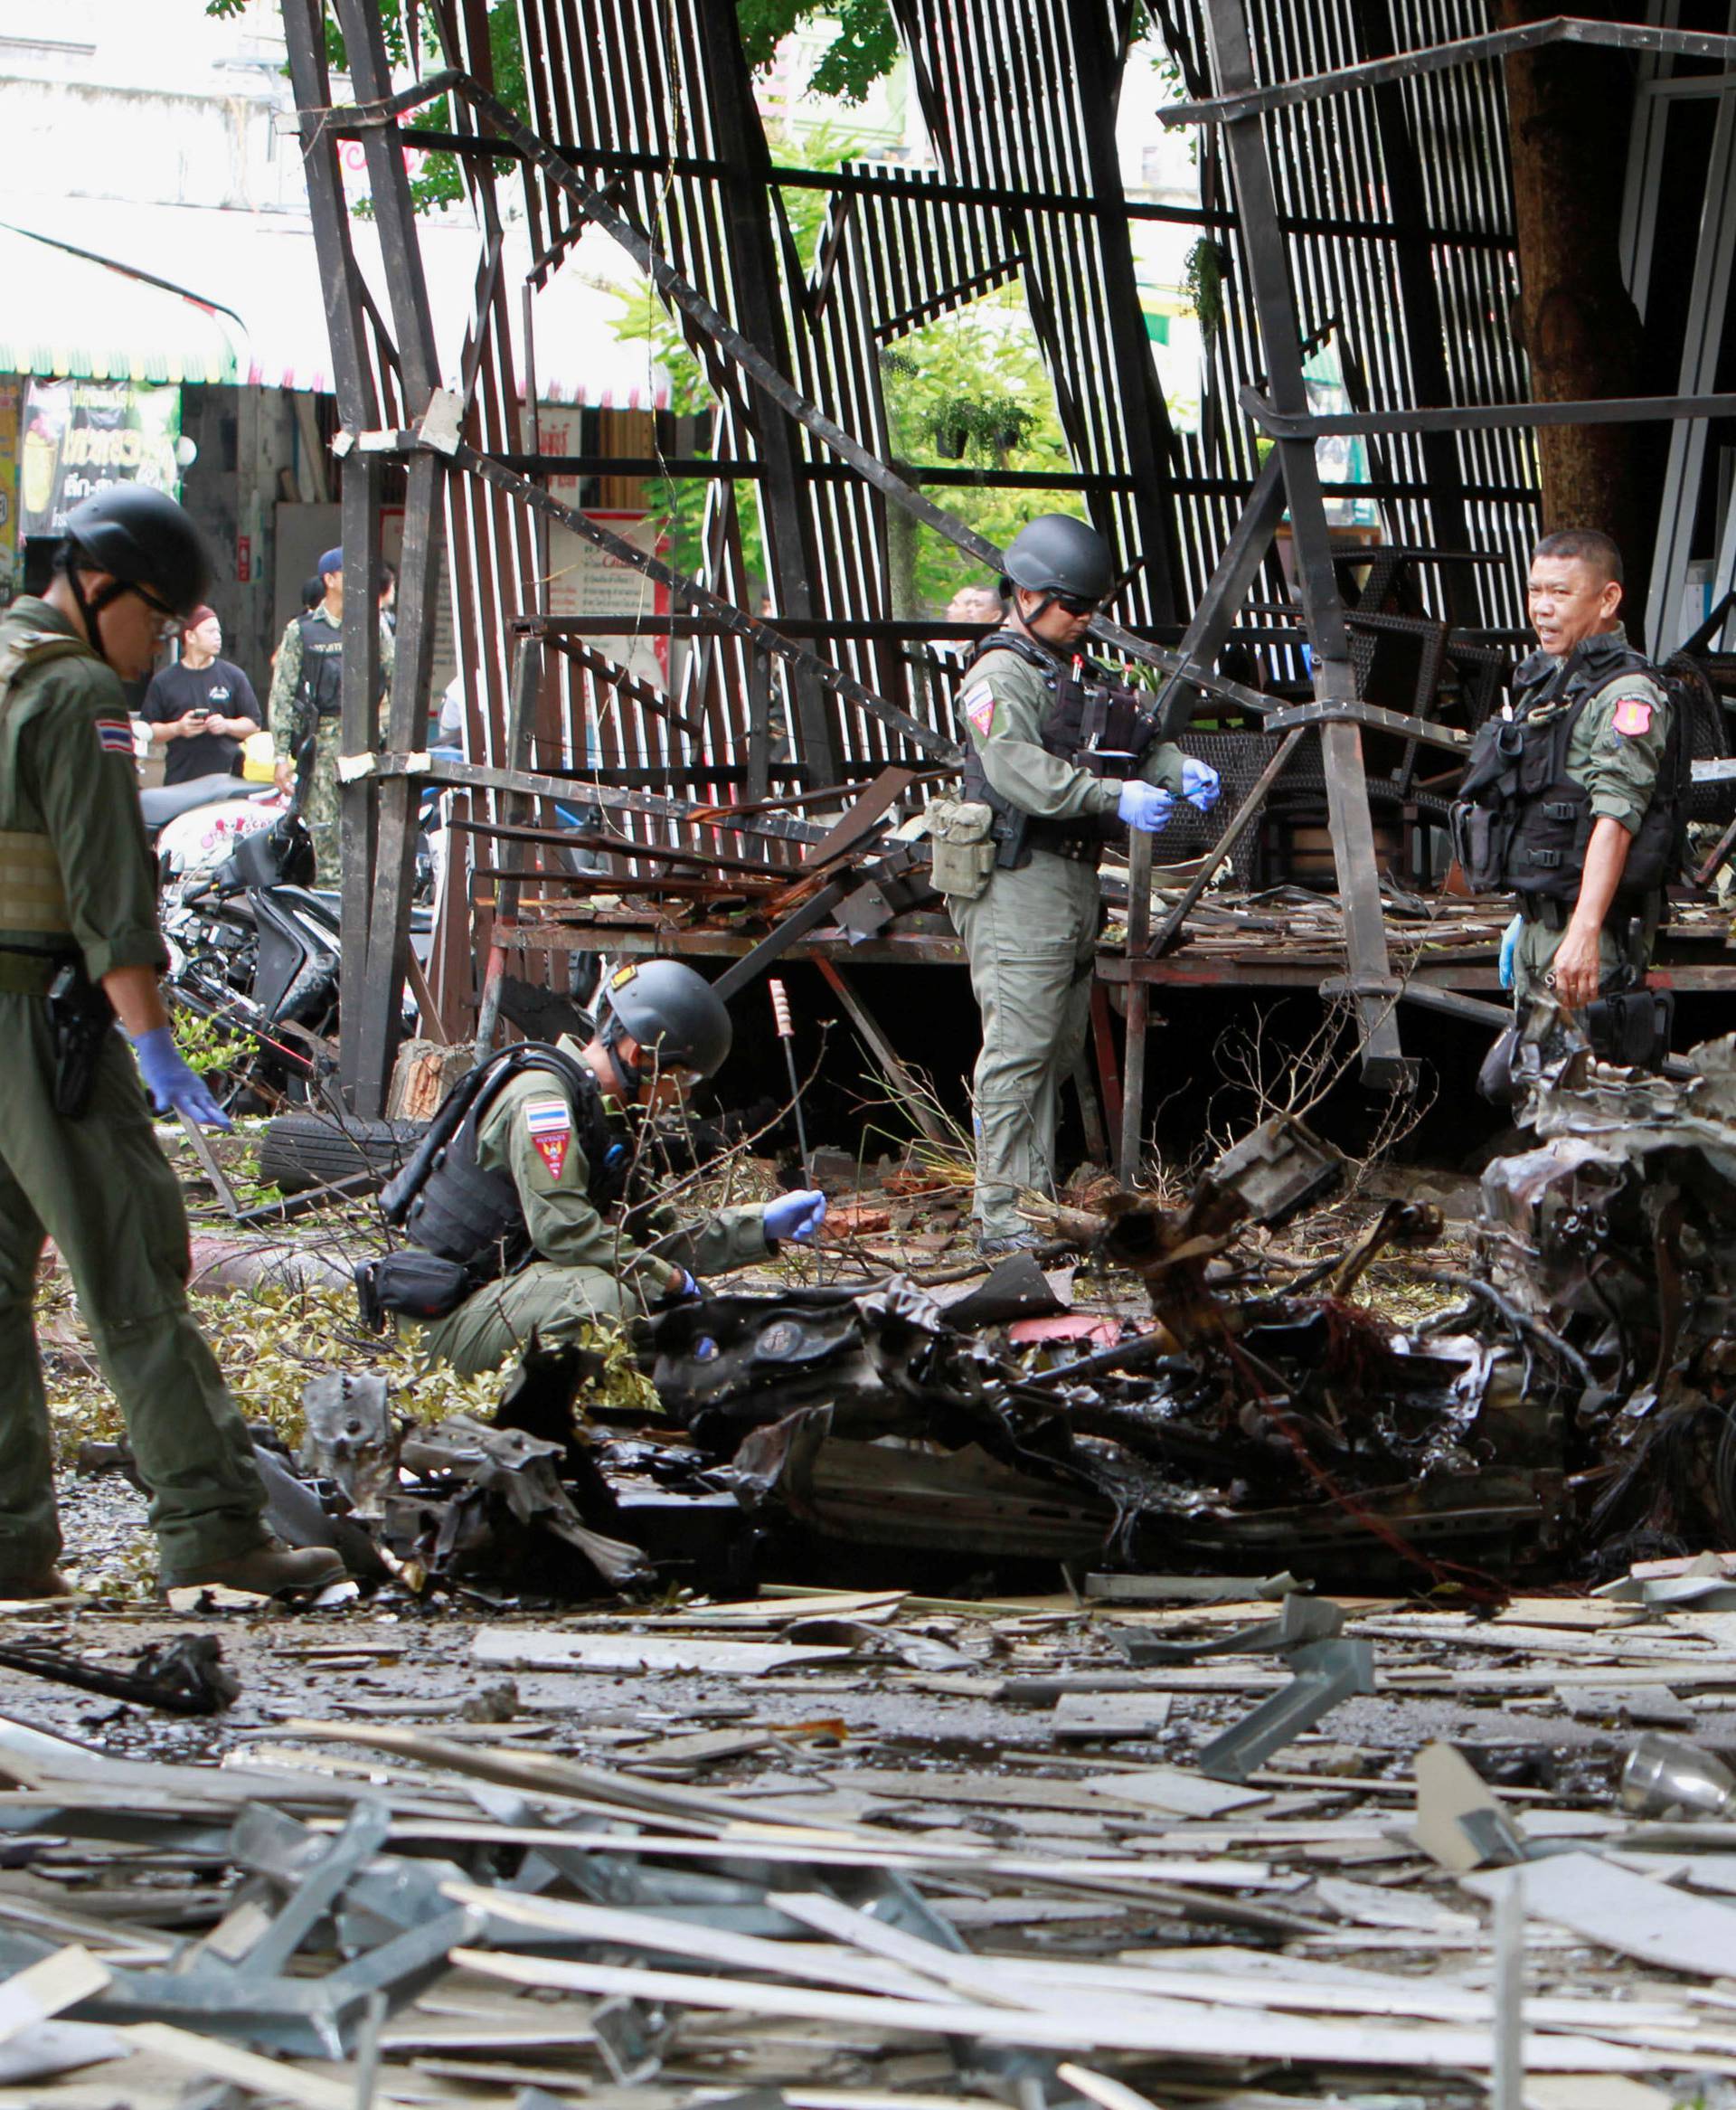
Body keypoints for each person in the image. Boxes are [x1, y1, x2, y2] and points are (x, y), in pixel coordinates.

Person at [0, 485, 345, 1599]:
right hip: (44, 1025)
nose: (158, 651)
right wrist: (152, 1047)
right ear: (97, 587)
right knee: (136, 1273)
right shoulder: (75, 692)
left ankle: (8, 1546)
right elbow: (109, 902)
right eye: (156, 620)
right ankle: (211, 1533)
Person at [939, 515, 1221, 1255]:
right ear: (1026, 594)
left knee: (1055, 1050)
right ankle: (1002, 1214)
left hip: (1070, 879)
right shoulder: (997, 676)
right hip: (1018, 880)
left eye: (1093, 605)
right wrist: (1109, 798)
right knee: (1018, 1051)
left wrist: (1172, 768)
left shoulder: (1070, 667)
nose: (1085, 618)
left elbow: (1129, 738)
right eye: (1073, 604)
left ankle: (1030, 1200)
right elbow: (1017, 771)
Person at [367, 960, 828, 1378]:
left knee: (672, 1309)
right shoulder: (543, 1101)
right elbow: (564, 1231)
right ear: (640, 1058)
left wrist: (760, 1226)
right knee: (605, 1299)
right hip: (446, 1318)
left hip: (505, 1296)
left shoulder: (602, 1118)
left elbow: (648, 1234)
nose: (682, 1097)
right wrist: (669, 1280)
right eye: (682, 1079)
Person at [1456, 528, 1679, 1018]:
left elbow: (1616, 820)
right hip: (1540, 927)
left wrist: (1582, 929)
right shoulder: (1550, 682)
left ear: (1608, 599)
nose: (1542, 607)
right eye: (1535, 590)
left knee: (1585, 1093)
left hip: (1591, 939)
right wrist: (1528, 919)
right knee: (1535, 1092)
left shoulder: (1627, 694)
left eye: (1561, 592)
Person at [266, 546, 393, 878]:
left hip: (365, 744)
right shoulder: (302, 630)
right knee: (326, 847)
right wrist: (281, 755)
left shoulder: (372, 625)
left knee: (368, 844)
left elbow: (397, 679)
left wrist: (387, 731)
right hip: (320, 749)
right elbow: (283, 694)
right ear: (330, 579)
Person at [139, 606, 261, 787]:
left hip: (226, 783)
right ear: (190, 637)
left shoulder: (234, 676)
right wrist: (178, 728)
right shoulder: (164, 681)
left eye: (218, 631)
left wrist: (225, 725)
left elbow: (254, 725)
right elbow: (148, 730)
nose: (217, 636)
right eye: (210, 631)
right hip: (180, 781)